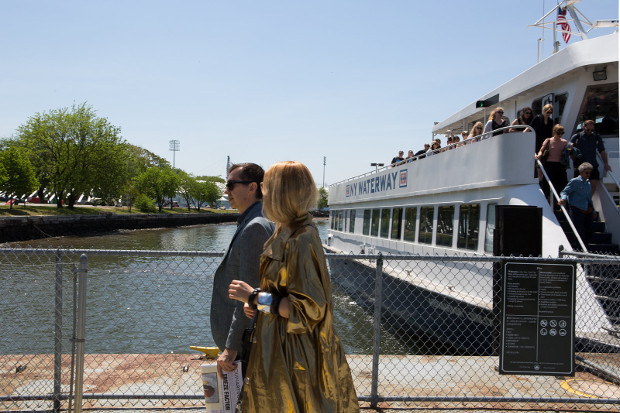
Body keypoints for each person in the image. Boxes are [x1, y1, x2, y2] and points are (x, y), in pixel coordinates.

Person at [228, 161, 359, 412]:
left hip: (294, 355)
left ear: (280, 194)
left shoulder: (301, 238)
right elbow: (282, 297)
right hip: (278, 348)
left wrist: (255, 297)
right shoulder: (285, 230)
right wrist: (259, 306)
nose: (263, 194)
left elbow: (307, 309)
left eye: (267, 189)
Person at [210, 163, 275, 378]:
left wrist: (231, 348)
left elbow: (250, 295)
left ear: (252, 187)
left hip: (246, 345)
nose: (226, 191)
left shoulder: (254, 227)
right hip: (253, 339)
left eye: (231, 185)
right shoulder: (259, 220)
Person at [558, 162, 598, 246]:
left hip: (587, 209)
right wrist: (563, 199)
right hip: (576, 209)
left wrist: (593, 210)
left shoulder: (588, 183)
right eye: (586, 173)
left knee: (590, 231)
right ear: (581, 172)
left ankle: (584, 248)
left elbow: (589, 199)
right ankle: (579, 250)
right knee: (579, 231)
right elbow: (565, 192)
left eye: (589, 173)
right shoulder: (574, 181)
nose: (588, 175)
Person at [570, 119, 613, 194]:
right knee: (579, 185)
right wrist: (574, 159)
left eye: (591, 130)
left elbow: (602, 151)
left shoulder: (596, 137)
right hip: (580, 165)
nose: (590, 131)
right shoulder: (576, 136)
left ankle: (588, 200)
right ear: (583, 127)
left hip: (592, 164)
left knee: (594, 183)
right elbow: (568, 149)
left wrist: (606, 164)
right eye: (588, 129)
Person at [536, 124, 569, 203]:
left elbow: (568, 151)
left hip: (560, 166)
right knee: (548, 184)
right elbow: (541, 150)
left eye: (562, 133)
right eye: (558, 133)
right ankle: (547, 201)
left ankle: (560, 202)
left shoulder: (564, 142)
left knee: (561, 184)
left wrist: (570, 148)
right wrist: (539, 155)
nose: (560, 135)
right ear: (554, 132)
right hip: (549, 165)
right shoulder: (548, 140)